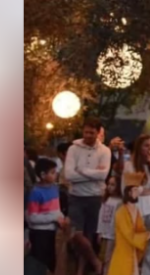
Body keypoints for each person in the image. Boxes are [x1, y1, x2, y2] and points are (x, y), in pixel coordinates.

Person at [64, 118, 112, 275]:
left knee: (90, 235)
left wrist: (81, 170)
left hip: (95, 196)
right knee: (76, 234)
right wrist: (94, 174)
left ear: (98, 133)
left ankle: (81, 270)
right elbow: (69, 175)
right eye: (86, 132)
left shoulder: (105, 151)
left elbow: (103, 175)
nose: (88, 135)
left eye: (92, 132)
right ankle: (96, 262)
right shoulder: (73, 149)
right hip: (76, 196)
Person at [123, 134, 150, 275]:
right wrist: (147, 190)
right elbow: (128, 190)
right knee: (136, 246)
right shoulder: (130, 166)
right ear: (139, 147)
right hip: (138, 210)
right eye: (146, 146)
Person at [109, 172, 150, 275]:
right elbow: (129, 235)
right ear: (128, 192)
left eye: (137, 190)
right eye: (135, 190)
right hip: (123, 253)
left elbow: (140, 229)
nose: (137, 193)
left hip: (133, 253)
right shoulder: (121, 212)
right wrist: (148, 235)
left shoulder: (136, 211)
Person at [26, 158, 72, 274]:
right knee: (40, 262)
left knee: (51, 262)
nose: (55, 174)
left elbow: (56, 209)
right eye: (52, 172)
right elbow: (32, 217)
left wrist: (62, 218)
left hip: (53, 232)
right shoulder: (36, 192)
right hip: (40, 233)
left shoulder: (54, 188)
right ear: (42, 175)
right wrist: (54, 218)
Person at [98, 175, 123, 275]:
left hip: (113, 235)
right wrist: (99, 231)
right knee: (104, 257)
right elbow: (101, 217)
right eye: (108, 184)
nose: (109, 187)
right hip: (104, 233)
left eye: (113, 185)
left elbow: (118, 220)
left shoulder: (120, 202)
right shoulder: (106, 200)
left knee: (109, 257)